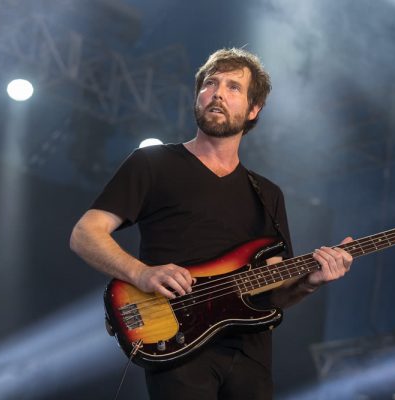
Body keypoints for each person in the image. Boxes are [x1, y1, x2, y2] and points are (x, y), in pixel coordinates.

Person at [70, 48, 353, 400]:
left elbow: (274, 290)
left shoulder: (267, 194)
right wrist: (141, 274)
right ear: (197, 97)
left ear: (253, 109)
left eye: (233, 87)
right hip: (178, 341)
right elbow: (85, 233)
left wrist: (310, 282)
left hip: (251, 354)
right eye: (209, 84)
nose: (217, 93)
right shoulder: (152, 164)